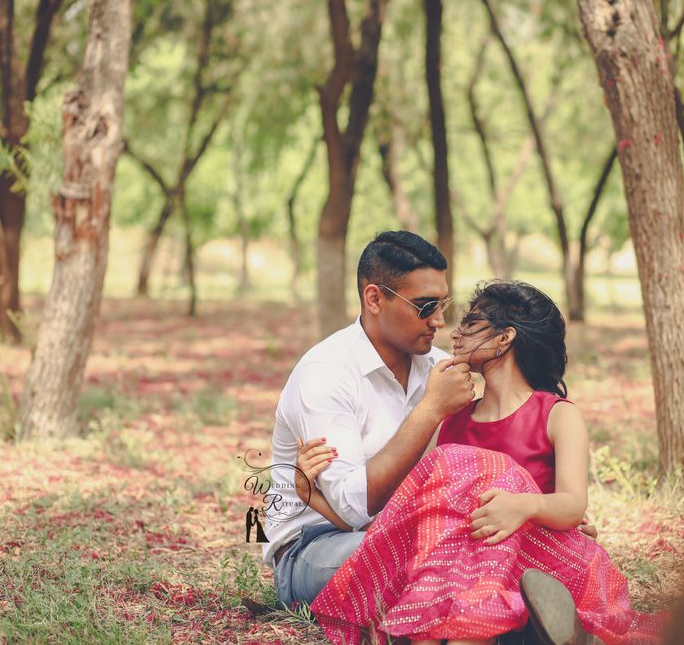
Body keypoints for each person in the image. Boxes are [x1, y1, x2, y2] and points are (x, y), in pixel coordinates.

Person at [305, 281, 660, 645]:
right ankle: (515, 626)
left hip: (533, 561)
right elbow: (410, 509)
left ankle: (531, 618)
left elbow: (573, 504)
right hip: (467, 570)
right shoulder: (452, 421)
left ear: (505, 338)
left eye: (470, 324)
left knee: (487, 476)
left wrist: (525, 505)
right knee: (453, 549)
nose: (453, 333)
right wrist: (309, 494)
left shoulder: (556, 415)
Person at [262, 231, 476, 610]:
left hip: (413, 531)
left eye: (443, 304)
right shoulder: (324, 374)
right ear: (374, 298)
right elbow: (353, 508)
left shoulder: (436, 367)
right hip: (316, 546)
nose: (440, 320)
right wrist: (431, 409)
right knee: (423, 560)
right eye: (425, 307)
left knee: (479, 549)